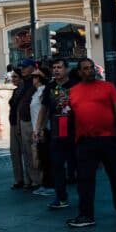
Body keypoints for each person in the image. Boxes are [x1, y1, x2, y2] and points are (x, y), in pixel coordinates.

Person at [67, 58, 116, 228]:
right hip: (85, 140)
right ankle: (86, 215)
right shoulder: (72, 91)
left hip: (107, 138)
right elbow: (67, 114)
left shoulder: (108, 87)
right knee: (85, 179)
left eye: (91, 68)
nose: (90, 71)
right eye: (86, 69)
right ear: (80, 72)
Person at [36, 58, 75, 210]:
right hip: (56, 132)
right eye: (54, 67)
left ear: (66, 70)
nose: (56, 70)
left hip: (74, 131)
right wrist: (38, 128)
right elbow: (44, 109)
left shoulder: (75, 86)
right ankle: (61, 197)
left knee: (77, 165)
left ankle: (84, 196)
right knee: (57, 165)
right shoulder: (49, 87)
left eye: (59, 67)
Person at [15, 59, 41, 190]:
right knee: (27, 153)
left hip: (33, 121)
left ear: (32, 68)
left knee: (34, 153)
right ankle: (30, 180)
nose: (22, 69)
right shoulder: (23, 83)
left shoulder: (36, 81)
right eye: (21, 67)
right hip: (24, 121)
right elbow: (20, 105)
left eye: (25, 67)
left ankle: (36, 180)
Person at [29, 68, 54, 197]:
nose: (33, 78)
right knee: (42, 158)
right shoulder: (37, 92)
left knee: (45, 158)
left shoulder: (44, 90)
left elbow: (45, 111)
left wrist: (41, 129)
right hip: (38, 130)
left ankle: (49, 185)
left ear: (40, 78)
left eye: (35, 76)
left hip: (43, 130)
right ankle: (45, 184)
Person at [8, 70, 26, 189]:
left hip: (21, 124)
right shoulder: (15, 91)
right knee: (14, 153)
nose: (13, 79)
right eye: (12, 77)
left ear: (21, 78)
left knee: (26, 152)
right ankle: (19, 179)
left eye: (15, 77)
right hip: (13, 123)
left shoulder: (24, 91)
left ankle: (29, 180)